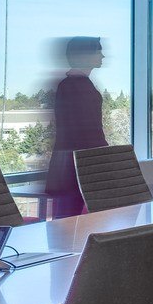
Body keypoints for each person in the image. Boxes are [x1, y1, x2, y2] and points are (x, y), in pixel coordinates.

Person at [44, 36, 108, 218]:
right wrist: (106, 158)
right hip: (76, 165)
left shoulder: (72, 84)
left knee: (68, 221)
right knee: (66, 223)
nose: (102, 56)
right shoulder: (76, 86)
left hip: (73, 164)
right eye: (99, 52)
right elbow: (88, 130)